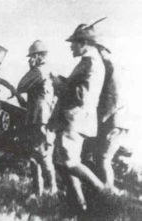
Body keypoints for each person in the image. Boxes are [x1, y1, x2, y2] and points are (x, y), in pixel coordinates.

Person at [54, 18, 116, 210]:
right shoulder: (90, 61)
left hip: (75, 118)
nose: (71, 47)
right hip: (76, 119)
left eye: (74, 43)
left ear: (84, 43)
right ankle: (79, 205)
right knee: (63, 162)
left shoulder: (90, 63)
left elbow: (81, 95)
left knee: (70, 162)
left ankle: (104, 193)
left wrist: (58, 85)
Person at [17, 40, 58, 196]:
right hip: (43, 117)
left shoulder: (38, 72)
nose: (30, 60)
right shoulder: (49, 70)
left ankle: (52, 189)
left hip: (38, 118)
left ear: (40, 56)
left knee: (42, 155)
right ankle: (39, 191)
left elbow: (21, 85)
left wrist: (31, 69)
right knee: (36, 155)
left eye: (32, 56)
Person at [90, 45, 130, 189]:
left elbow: (113, 98)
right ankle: (105, 192)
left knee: (103, 158)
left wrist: (100, 120)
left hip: (113, 120)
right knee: (100, 157)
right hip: (116, 119)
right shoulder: (111, 66)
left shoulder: (108, 66)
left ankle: (108, 194)